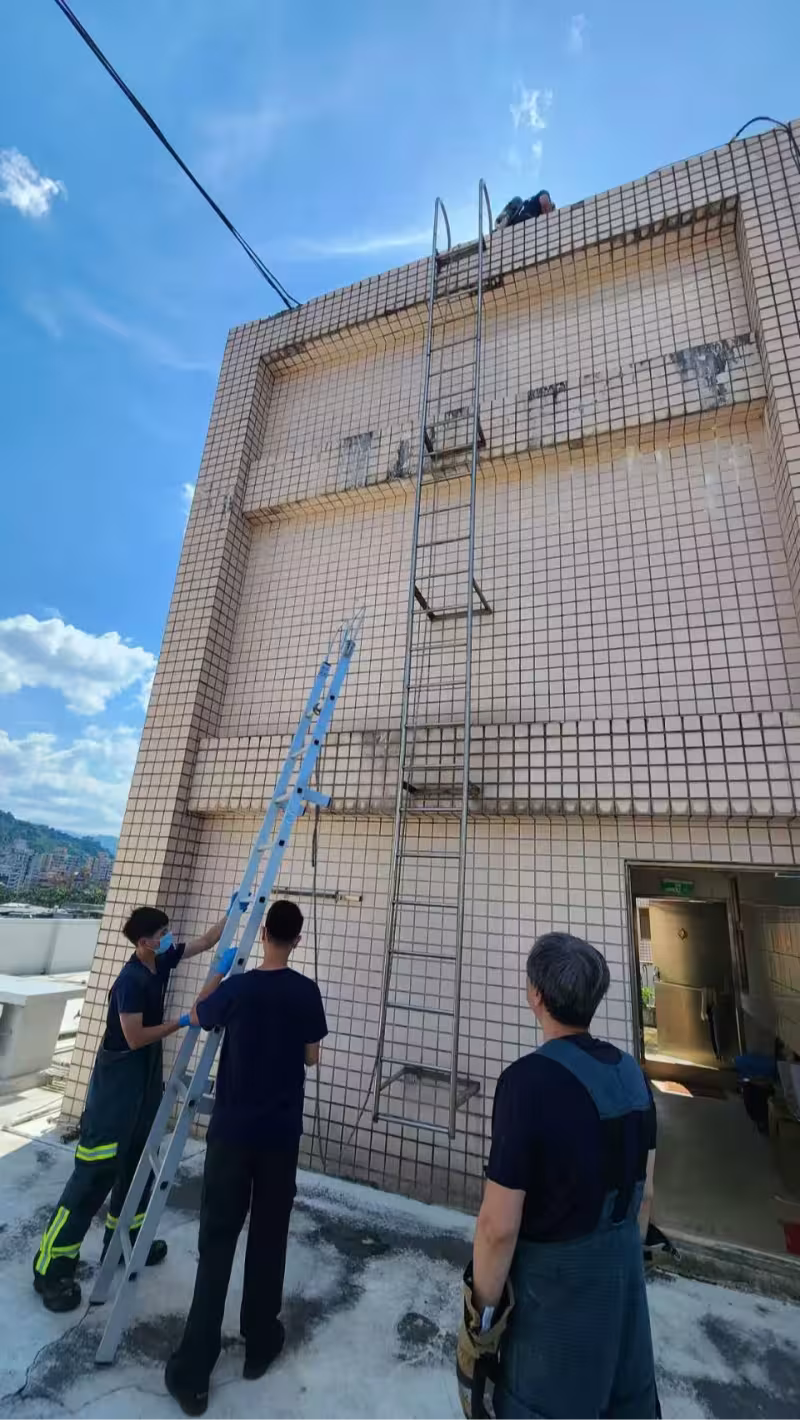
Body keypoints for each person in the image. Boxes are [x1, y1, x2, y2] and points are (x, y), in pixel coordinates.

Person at [457, 932, 658, 1420]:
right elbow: (645, 1195)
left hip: (555, 1313)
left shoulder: (528, 1083)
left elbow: (497, 1227)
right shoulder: (632, 1073)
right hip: (625, 1298)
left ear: (536, 995)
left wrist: (480, 1320)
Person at [165, 899, 328, 1416]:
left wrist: (218, 972)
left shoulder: (238, 989)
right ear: (297, 940)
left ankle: (194, 1373)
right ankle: (259, 1343)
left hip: (231, 1135)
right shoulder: (306, 992)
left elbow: (199, 1014)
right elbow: (311, 1055)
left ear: (263, 936)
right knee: (268, 1237)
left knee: (216, 1243)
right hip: (279, 1137)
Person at [33, 904, 233, 1313]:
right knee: (93, 1178)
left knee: (139, 1169)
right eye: (161, 933)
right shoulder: (131, 981)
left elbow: (204, 942)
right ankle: (51, 1266)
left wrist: (234, 913)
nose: (168, 937)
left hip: (142, 1087)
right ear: (144, 942)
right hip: (115, 1093)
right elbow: (136, 1037)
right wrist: (183, 1021)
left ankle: (124, 1243)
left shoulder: (159, 961)